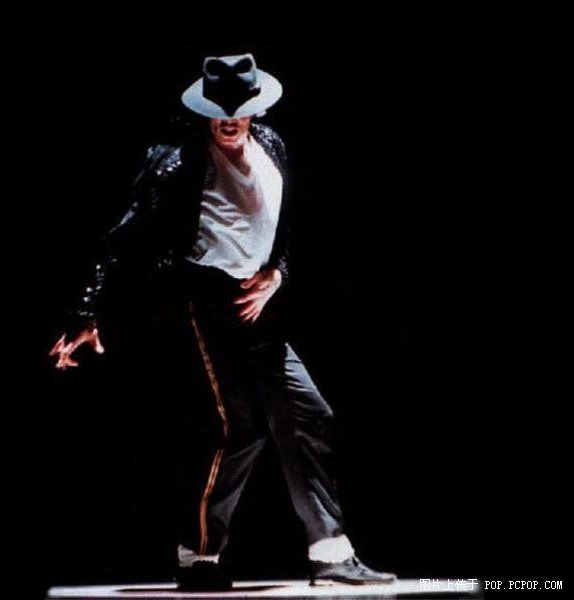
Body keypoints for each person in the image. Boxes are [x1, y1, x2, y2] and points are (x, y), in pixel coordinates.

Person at [50, 53, 396, 590]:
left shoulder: (271, 147)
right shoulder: (179, 162)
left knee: (307, 414)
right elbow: (122, 239)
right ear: (205, 112)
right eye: (219, 111)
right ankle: (199, 557)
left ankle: (330, 554)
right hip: (203, 302)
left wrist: (277, 274)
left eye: (238, 109)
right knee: (237, 428)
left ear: (255, 110)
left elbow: (279, 230)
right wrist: (86, 314)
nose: (229, 119)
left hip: (258, 305)